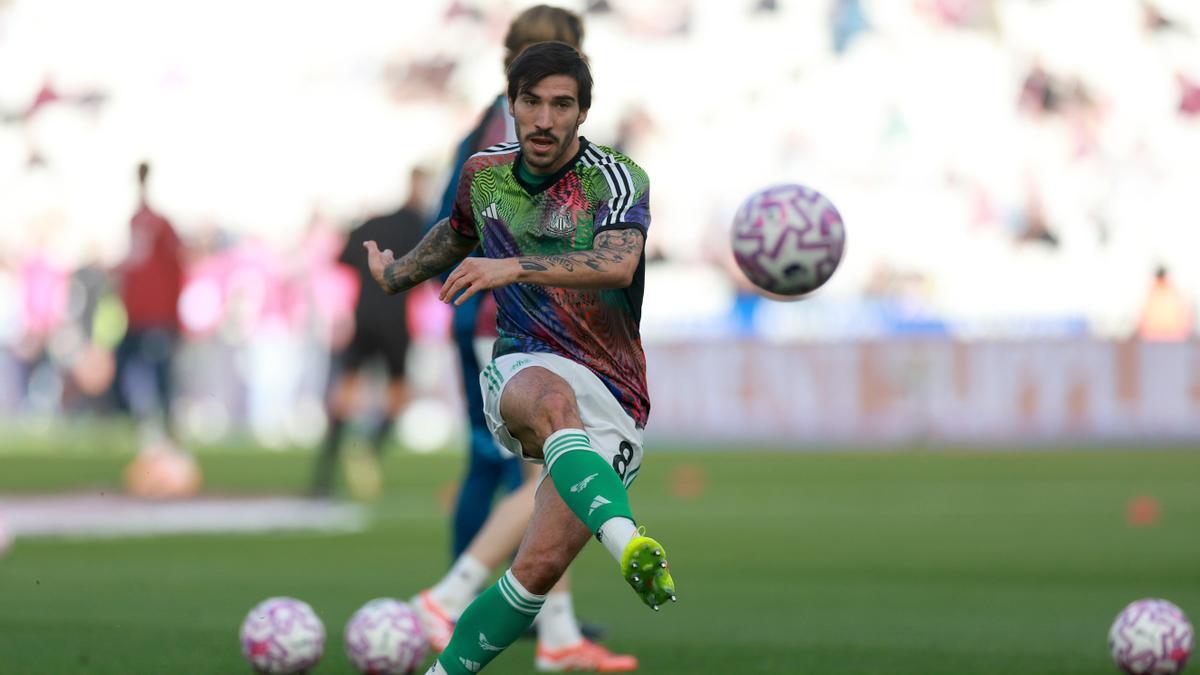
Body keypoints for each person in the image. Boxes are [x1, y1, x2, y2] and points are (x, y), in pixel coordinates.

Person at [364, 42, 676, 675]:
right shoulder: (484, 173)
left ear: (582, 114)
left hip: (615, 394)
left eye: (561, 105)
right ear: (512, 104)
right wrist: (395, 276)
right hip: (523, 363)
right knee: (553, 403)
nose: (543, 118)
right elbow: (453, 236)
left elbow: (616, 263)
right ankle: (631, 546)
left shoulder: (617, 178)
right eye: (531, 102)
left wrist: (511, 265)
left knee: (533, 573)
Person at [310, 168, 427, 498]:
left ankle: (325, 472)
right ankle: (372, 447)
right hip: (395, 321)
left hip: (364, 317)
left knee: (345, 393)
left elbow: (343, 257)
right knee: (399, 393)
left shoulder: (372, 225)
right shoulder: (421, 226)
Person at [114, 162, 185, 445]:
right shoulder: (137, 221)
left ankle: (164, 424)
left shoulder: (158, 224)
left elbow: (174, 268)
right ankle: (136, 420)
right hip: (140, 315)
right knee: (128, 368)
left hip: (157, 316)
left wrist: (172, 316)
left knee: (160, 375)